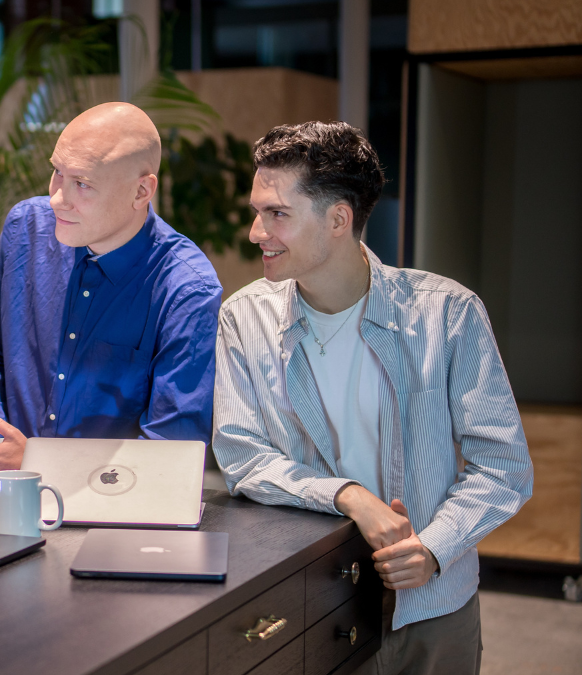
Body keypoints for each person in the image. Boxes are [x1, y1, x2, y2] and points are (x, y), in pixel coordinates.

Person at [213, 121, 532, 674]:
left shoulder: (447, 313)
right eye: (257, 210)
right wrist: (350, 495)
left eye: (276, 214)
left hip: (435, 603)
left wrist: (432, 547)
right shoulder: (244, 318)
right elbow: (242, 457)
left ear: (339, 218)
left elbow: (503, 467)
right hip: (312, 603)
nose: (254, 231)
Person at [0, 102, 223, 495]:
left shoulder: (187, 289)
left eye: (81, 184)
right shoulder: (25, 228)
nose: (56, 198)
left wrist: (38, 464)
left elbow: (172, 452)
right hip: (6, 498)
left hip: (116, 524)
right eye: (57, 173)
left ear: (141, 191)